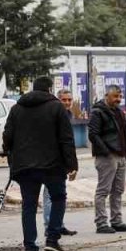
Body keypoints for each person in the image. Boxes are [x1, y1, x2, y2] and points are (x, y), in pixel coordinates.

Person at [3, 76, 78, 251]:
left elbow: (7, 138)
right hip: (52, 165)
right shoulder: (56, 108)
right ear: (49, 89)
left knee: (28, 205)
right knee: (59, 198)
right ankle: (52, 239)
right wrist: (71, 165)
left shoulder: (16, 109)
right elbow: (66, 139)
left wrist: (13, 159)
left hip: (24, 167)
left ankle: (30, 250)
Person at [89, 85, 126, 234]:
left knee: (118, 190)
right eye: (115, 97)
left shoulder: (119, 113)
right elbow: (93, 134)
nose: (118, 100)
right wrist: (106, 152)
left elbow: (124, 135)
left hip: (121, 156)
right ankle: (101, 223)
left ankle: (116, 221)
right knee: (103, 191)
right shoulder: (98, 112)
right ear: (107, 96)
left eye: (120, 97)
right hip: (107, 157)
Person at [41, 89, 78, 237]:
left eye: (69, 100)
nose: (67, 103)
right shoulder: (52, 115)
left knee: (59, 195)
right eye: (64, 100)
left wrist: (70, 164)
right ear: (58, 100)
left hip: (62, 161)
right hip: (51, 161)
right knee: (49, 195)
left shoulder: (68, 115)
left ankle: (58, 224)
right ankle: (49, 225)